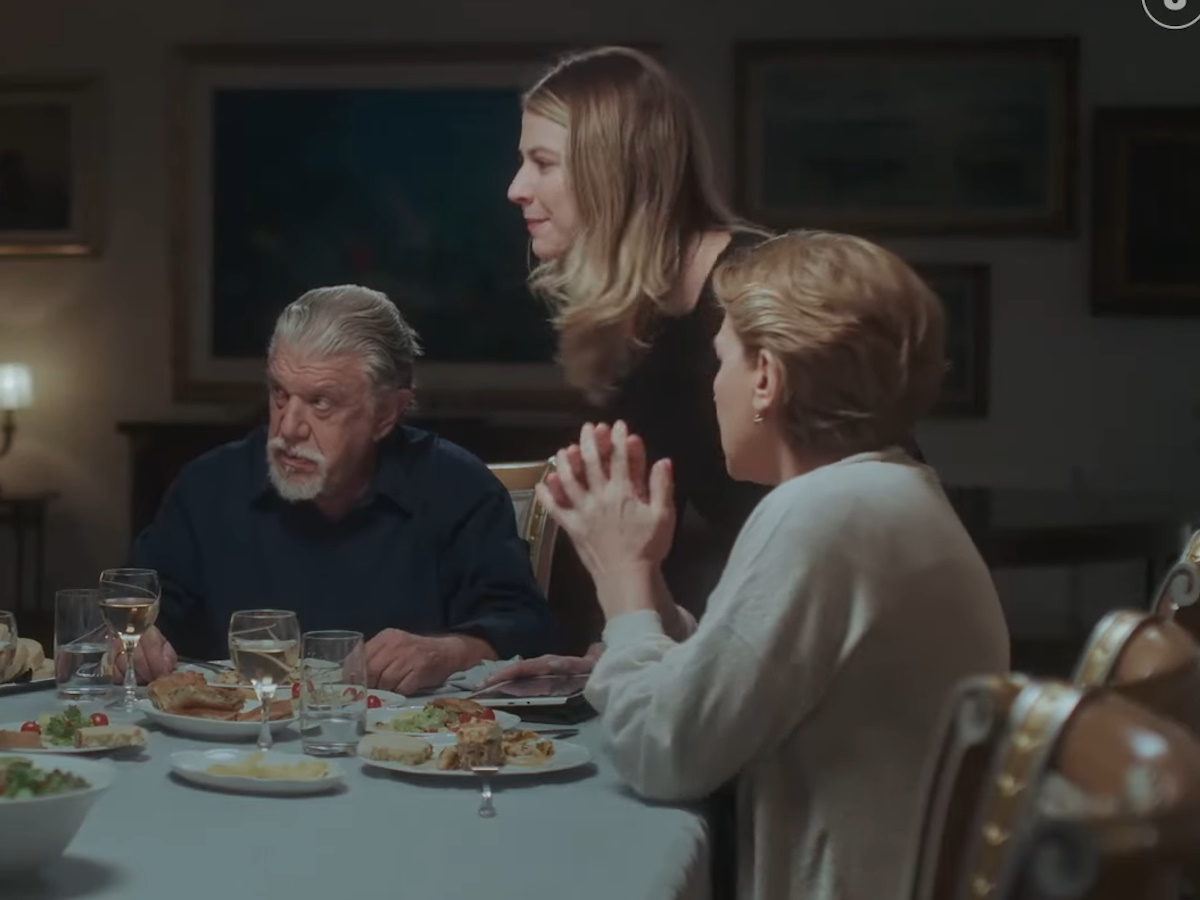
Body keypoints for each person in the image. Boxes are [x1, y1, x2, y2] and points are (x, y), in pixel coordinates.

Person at [536, 231, 1010, 900]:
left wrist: (620, 581)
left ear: (766, 378)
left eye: (721, 360)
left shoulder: (824, 513)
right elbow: (740, 690)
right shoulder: (884, 494)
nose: (713, 388)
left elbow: (664, 751)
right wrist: (652, 589)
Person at [126, 285, 555, 693]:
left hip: (401, 737)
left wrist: (451, 652)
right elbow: (141, 610)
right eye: (280, 394)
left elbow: (526, 626)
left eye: (321, 403)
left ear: (386, 414)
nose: (288, 428)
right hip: (237, 735)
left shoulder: (459, 489)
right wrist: (136, 641)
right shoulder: (209, 487)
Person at [498, 45, 772, 678]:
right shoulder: (644, 320)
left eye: (543, 162)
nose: (516, 189)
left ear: (614, 170)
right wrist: (611, 657)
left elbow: (834, 540)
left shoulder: (756, 297)